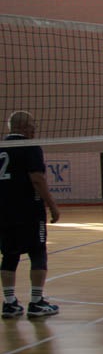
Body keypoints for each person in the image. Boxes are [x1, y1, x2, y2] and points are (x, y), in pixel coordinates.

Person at [1, 111, 61, 319]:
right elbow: (37, 178)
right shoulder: (29, 146)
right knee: (38, 252)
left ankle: (9, 303)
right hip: (28, 210)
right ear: (24, 126)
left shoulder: (2, 147)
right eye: (32, 124)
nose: (35, 128)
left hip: (4, 211)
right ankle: (36, 302)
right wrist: (52, 205)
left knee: (9, 255)